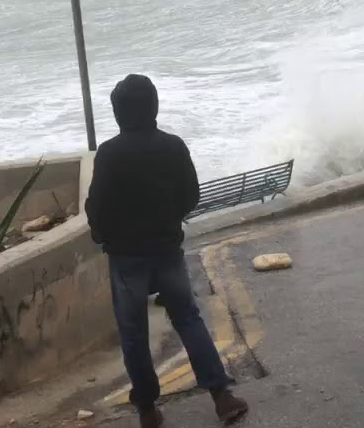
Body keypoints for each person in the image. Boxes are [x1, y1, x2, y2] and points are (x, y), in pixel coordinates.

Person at [85, 74, 249, 427]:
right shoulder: (173, 145)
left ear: (118, 114)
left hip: (126, 258)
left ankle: (147, 410)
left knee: (133, 333)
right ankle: (222, 397)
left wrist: (103, 235)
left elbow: (97, 207)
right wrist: (170, 219)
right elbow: (191, 194)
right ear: (154, 107)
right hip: (166, 248)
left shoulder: (110, 154)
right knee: (188, 318)